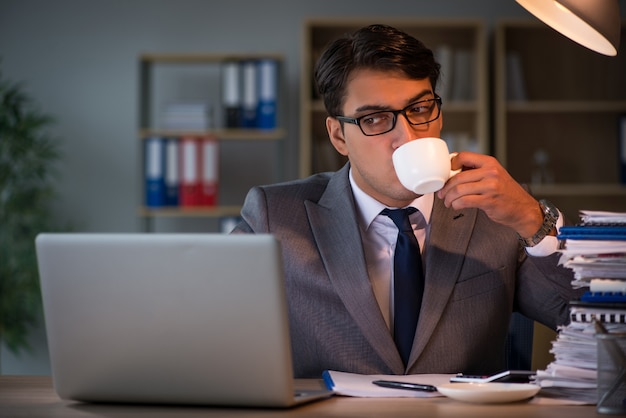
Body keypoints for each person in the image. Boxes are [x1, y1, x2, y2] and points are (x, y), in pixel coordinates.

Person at [232, 24, 583, 378]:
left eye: (419, 109)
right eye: (374, 118)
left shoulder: (496, 214)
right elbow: (202, 328)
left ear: (439, 114)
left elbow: (596, 323)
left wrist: (531, 219)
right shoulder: (274, 216)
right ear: (339, 136)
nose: (407, 136)